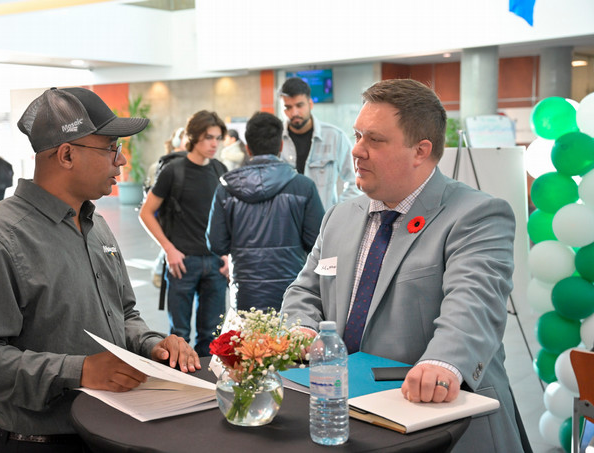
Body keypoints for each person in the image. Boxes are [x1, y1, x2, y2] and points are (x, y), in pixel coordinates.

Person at [281, 79, 530, 452]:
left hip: (440, 425)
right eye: (357, 135)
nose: (357, 151)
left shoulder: (476, 215)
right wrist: (300, 326)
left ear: (420, 150)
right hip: (345, 417)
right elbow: (307, 289)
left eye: (374, 140)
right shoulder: (339, 217)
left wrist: (443, 362)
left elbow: (473, 303)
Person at [0, 87, 200, 453]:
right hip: (39, 442)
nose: (122, 161)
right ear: (66, 154)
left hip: (113, 431)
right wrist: (79, 370)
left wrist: (153, 345)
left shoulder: (96, 225)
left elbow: (124, 313)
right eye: (111, 148)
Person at [207, 112, 324, 312]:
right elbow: (317, 242)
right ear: (280, 146)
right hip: (293, 290)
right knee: (290, 342)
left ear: (248, 147)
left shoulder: (226, 188)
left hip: (244, 291)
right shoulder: (303, 187)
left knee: (249, 342)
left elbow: (216, 243)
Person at [139, 110, 229, 357]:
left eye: (218, 138)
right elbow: (146, 213)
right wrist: (169, 250)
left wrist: (228, 256)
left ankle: (208, 389)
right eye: (208, 137)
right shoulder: (173, 170)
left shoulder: (220, 170)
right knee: (179, 335)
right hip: (182, 263)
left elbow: (227, 216)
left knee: (212, 338)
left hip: (215, 264)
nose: (214, 144)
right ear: (193, 137)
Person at [279, 77, 361, 209]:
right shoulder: (276, 139)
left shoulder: (335, 137)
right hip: (288, 221)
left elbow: (355, 181)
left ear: (310, 104)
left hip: (323, 223)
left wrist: (337, 213)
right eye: (288, 107)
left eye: (299, 105)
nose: (294, 112)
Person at [148, 126, 188, 288]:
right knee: (168, 244)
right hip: (166, 214)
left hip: (181, 214)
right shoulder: (165, 164)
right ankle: (158, 271)